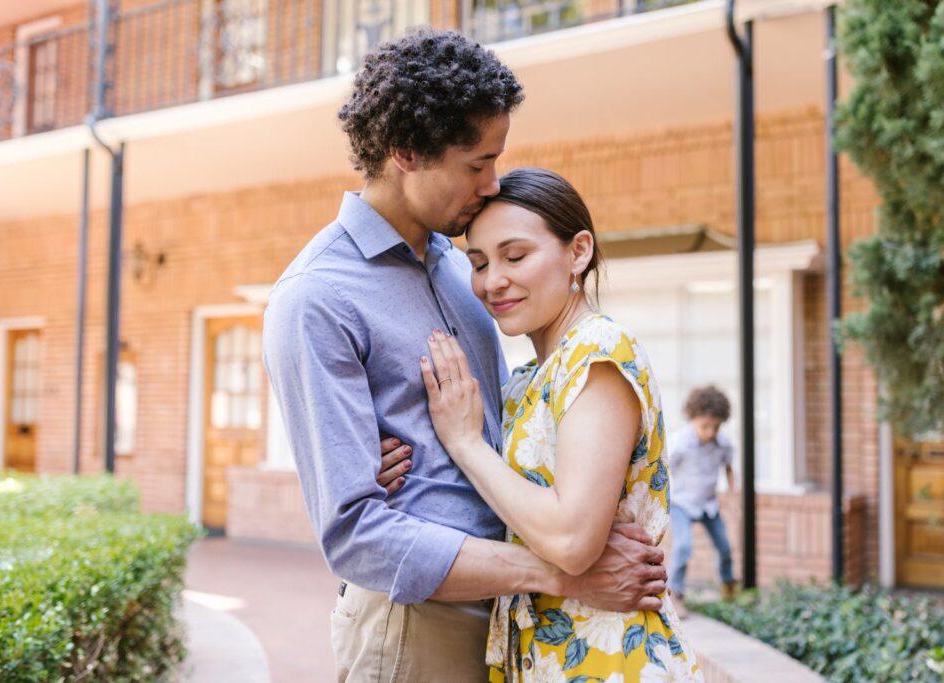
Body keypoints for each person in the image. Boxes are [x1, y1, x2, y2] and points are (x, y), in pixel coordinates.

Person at [262, 30, 667, 682]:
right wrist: (561, 571)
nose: (493, 181)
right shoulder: (315, 299)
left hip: (519, 613)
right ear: (407, 154)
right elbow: (355, 535)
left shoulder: (460, 267)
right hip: (419, 625)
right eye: (477, 162)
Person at [416, 167, 703, 680]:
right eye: (478, 263)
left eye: (515, 255)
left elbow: (573, 539)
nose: (491, 281)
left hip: (608, 656)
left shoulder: (597, 352)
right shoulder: (529, 378)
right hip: (550, 656)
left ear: (578, 251)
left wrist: (464, 441)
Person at [668, 385, 737, 614]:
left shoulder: (723, 444)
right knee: (683, 546)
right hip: (681, 503)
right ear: (693, 419)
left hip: (708, 504)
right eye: (704, 426)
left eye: (715, 427)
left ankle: (729, 588)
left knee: (725, 546)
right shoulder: (680, 443)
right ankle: (675, 594)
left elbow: (728, 467)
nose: (710, 432)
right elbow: (663, 467)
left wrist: (731, 493)